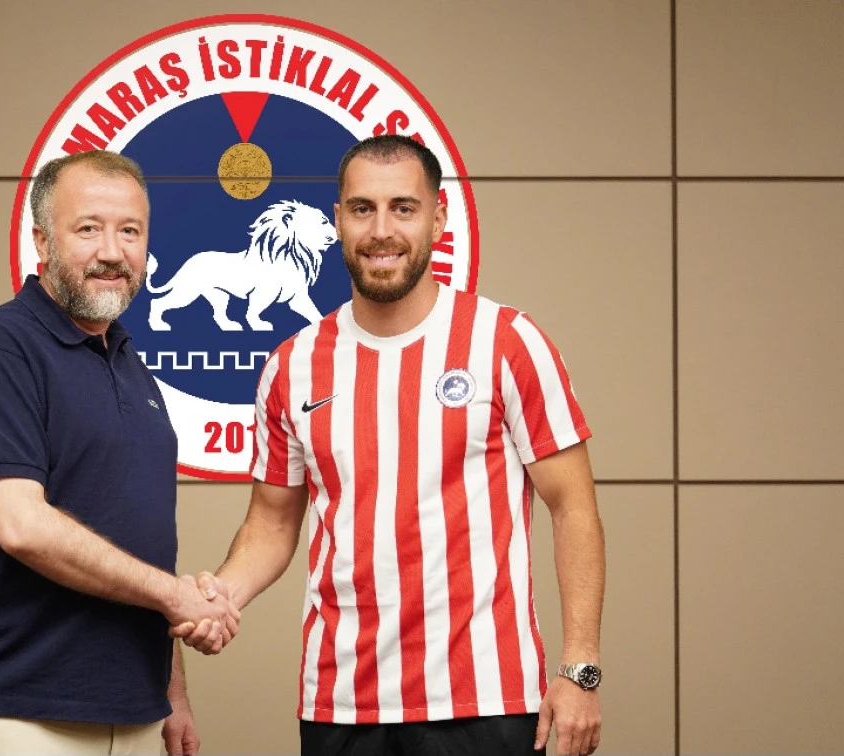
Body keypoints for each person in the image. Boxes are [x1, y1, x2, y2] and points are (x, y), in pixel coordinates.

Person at [175, 134, 605, 756]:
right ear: (337, 221)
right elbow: (272, 522)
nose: (381, 230)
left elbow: (573, 508)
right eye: (362, 209)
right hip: (340, 703)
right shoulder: (292, 365)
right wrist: (219, 599)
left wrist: (580, 668)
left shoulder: (506, 341)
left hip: (487, 699)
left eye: (403, 208)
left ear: (438, 218)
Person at [0, 149, 240, 756]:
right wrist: (177, 596)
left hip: (134, 711)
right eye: (89, 229)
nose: (112, 252)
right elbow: (22, 526)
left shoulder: (129, 364)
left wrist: (172, 693)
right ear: (42, 241)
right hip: (16, 713)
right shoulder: (0, 351)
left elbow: (142, 544)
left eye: (130, 232)